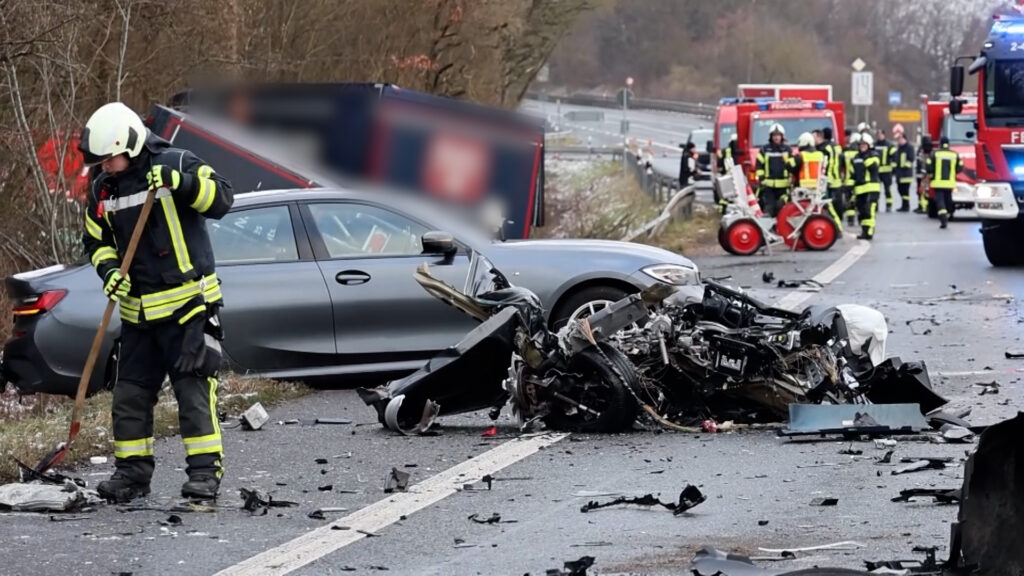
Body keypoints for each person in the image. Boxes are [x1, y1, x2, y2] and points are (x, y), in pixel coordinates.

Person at [79, 101, 234, 503]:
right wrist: (110, 272)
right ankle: (132, 475)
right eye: (100, 162)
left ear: (128, 143)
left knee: (193, 395)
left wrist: (180, 183)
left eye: (108, 159)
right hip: (138, 317)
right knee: (129, 397)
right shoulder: (102, 189)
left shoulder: (177, 161)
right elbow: (96, 242)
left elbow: (221, 200)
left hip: (190, 312)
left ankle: (204, 475)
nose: (104, 167)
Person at [926, 136, 963, 229]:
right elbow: (960, 167)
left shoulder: (934, 153)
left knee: (940, 201)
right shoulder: (955, 154)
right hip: (950, 183)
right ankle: (949, 213)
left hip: (938, 183)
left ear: (940, 143)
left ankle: (943, 219)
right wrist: (953, 172)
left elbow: (928, 166)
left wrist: (931, 174)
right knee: (948, 200)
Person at [755, 123, 791, 217]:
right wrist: (762, 179)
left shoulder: (787, 150)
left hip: (784, 186)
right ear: (771, 136)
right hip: (768, 186)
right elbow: (759, 165)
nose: (776, 137)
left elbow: (792, 166)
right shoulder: (764, 150)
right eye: (774, 135)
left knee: (782, 207)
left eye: (778, 135)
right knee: (769, 207)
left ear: (782, 136)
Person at [851, 133, 881, 240]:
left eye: (864, 145)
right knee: (862, 212)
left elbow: (873, 167)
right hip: (860, 189)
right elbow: (853, 173)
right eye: (860, 145)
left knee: (870, 211)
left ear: (869, 145)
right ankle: (864, 231)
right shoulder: (856, 157)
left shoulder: (874, 155)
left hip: (871, 188)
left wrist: (864, 157)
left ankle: (869, 231)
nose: (862, 147)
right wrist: (850, 187)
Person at [816, 127, 845, 223]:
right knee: (837, 203)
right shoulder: (838, 147)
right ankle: (839, 220)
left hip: (827, 179)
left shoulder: (823, 148)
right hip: (837, 178)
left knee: (827, 203)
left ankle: (833, 222)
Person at [874, 129, 896, 212]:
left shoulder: (889, 145)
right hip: (877, 171)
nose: (879, 136)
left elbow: (894, 157)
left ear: (884, 135)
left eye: (881, 134)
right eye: (878, 134)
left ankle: (889, 205)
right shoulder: (874, 145)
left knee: (887, 189)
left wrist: (893, 169)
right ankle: (876, 205)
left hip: (887, 171)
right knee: (876, 190)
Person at [842, 132, 861, 226]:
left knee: (849, 201)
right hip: (860, 181)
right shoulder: (861, 153)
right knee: (860, 200)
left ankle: (850, 220)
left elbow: (841, 167)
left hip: (848, 180)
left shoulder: (845, 153)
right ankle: (861, 220)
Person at [893, 130, 915, 212]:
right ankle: (904, 204)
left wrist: (904, 165)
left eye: (900, 139)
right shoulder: (899, 148)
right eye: (898, 139)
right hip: (899, 173)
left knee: (905, 190)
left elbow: (911, 159)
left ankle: (906, 205)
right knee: (899, 189)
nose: (899, 141)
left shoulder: (909, 147)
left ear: (905, 139)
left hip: (906, 174)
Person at [915, 135, 933, 214]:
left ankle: (923, 207)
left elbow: (921, 162)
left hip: (923, 173)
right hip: (924, 173)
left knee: (923, 191)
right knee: (922, 190)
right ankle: (922, 206)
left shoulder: (922, 150)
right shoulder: (929, 150)